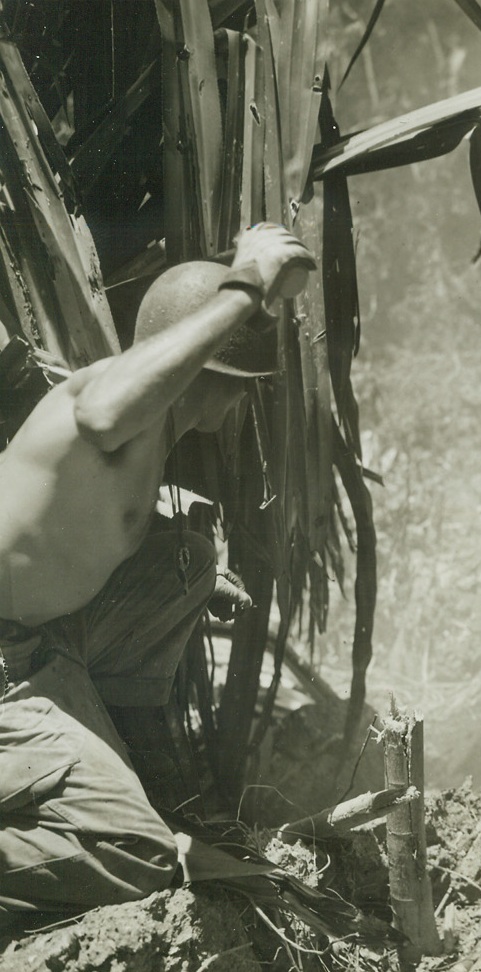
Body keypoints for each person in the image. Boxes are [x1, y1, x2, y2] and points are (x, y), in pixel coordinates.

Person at [0, 223, 315, 922]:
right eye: (243, 385)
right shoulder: (121, 404)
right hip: (5, 664)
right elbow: (108, 409)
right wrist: (247, 284)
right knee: (138, 855)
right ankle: (107, 811)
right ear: (212, 373)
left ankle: (120, 782)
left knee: (188, 564)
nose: (244, 404)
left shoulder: (148, 437)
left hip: (39, 641)